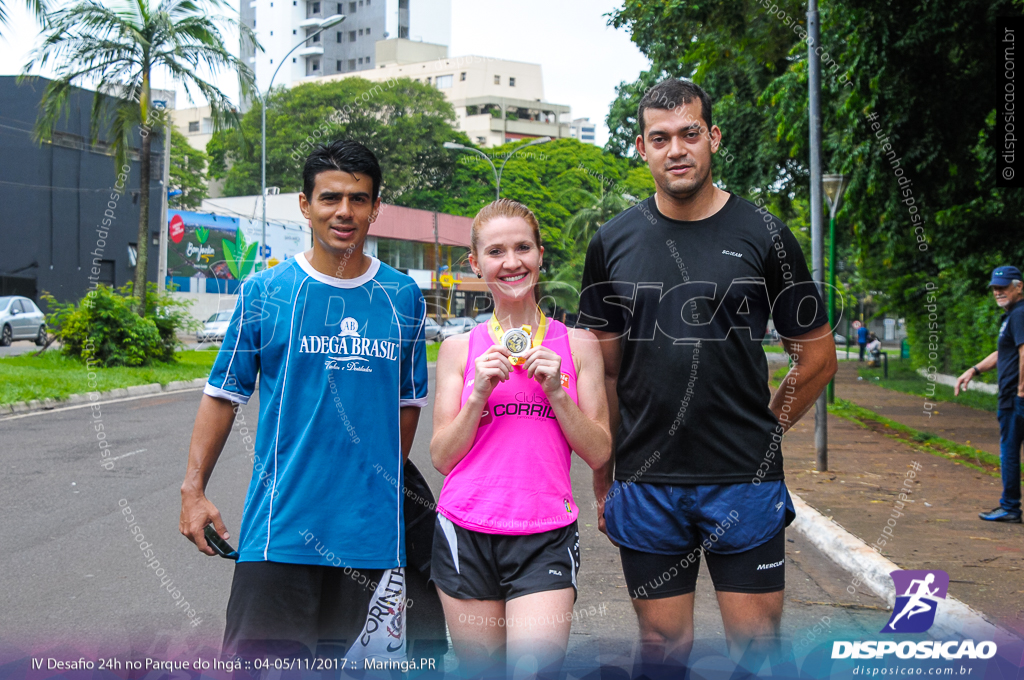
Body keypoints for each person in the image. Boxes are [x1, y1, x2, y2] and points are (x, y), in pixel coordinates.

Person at [577, 78, 837, 675]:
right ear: (642, 148)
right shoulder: (611, 242)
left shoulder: (764, 233)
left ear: (713, 138)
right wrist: (604, 474)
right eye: (660, 137)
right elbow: (606, 375)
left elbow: (817, 358)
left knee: (758, 654)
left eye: (690, 133)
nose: (677, 149)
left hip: (741, 482)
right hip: (646, 482)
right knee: (662, 654)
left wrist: (765, 433)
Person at [178, 140, 429, 662]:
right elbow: (223, 396)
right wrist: (193, 490)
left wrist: (376, 484)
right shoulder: (264, 291)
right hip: (278, 532)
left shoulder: (402, 297)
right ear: (304, 204)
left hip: (370, 542)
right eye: (330, 197)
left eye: (359, 199)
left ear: (376, 207)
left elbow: (406, 406)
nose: (344, 211)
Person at [429, 199, 611, 677]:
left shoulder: (578, 346)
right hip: (465, 531)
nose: (511, 262)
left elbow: (599, 452)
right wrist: (476, 397)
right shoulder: (457, 350)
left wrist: (557, 391)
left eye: (522, 248)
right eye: (496, 252)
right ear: (475, 263)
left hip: (544, 535)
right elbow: (442, 459)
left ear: (540, 254)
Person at [955, 265, 1024, 523]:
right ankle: (1010, 506)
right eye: (995, 288)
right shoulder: (1012, 315)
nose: (998, 292)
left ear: (1019, 287)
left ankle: (1010, 507)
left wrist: (1020, 392)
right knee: (1010, 451)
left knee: (1009, 452)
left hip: (1014, 398)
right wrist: (973, 370)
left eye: (1003, 287)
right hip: (1012, 396)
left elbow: (1023, 352)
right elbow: (1003, 353)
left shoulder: (1019, 314)